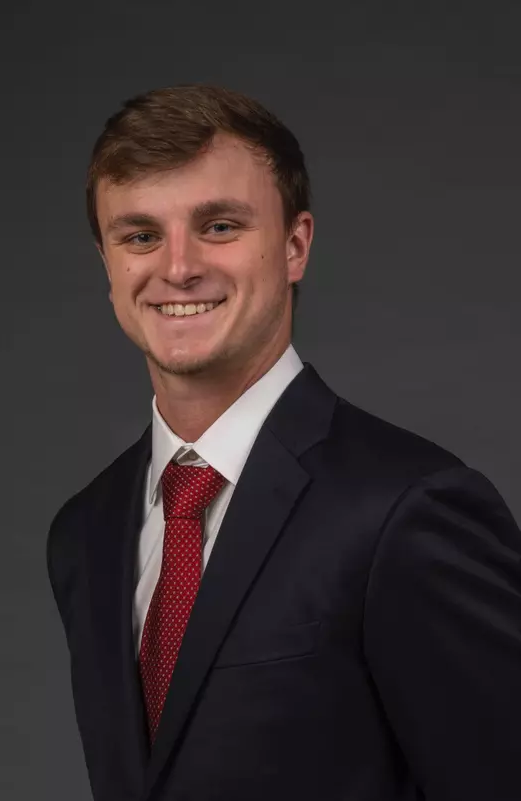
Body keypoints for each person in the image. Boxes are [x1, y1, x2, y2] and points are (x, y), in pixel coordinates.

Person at [46, 84, 521, 801]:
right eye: (140, 236)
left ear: (295, 246)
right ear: (107, 263)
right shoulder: (86, 531)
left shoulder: (407, 508)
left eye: (219, 226)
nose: (178, 267)